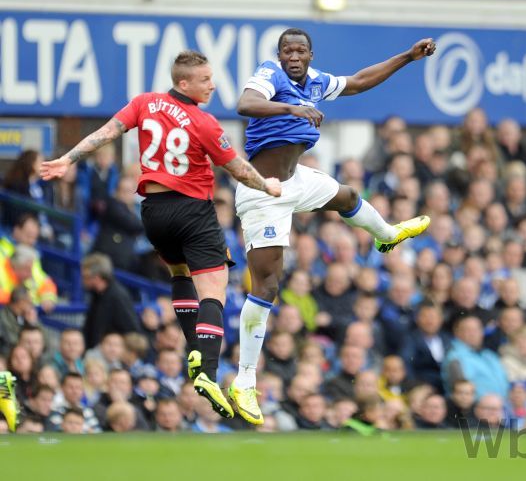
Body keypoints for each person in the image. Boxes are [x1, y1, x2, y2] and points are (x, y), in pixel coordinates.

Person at [40, 49, 281, 421]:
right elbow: (237, 169)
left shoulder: (144, 103)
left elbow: (106, 134)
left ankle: (193, 348)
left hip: (152, 212)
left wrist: (67, 159)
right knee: (214, 288)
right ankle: (209, 372)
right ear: (183, 82)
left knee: (180, 274)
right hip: (192, 211)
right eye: (204, 80)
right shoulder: (204, 123)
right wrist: (269, 187)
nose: (212, 85)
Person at [231, 28, 435, 424]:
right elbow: (245, 103)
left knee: (345, 195)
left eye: (300, 50)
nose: (293, 55)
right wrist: (292, 109)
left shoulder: (317, 82)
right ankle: (244, 380)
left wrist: (407, 57)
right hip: (263, 191)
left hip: (295, 181)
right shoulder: (270, 75)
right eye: (287, 49)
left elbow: (359, 82)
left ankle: (387, 235)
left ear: (310, 54)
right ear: (279, 54)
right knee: (269, 286)